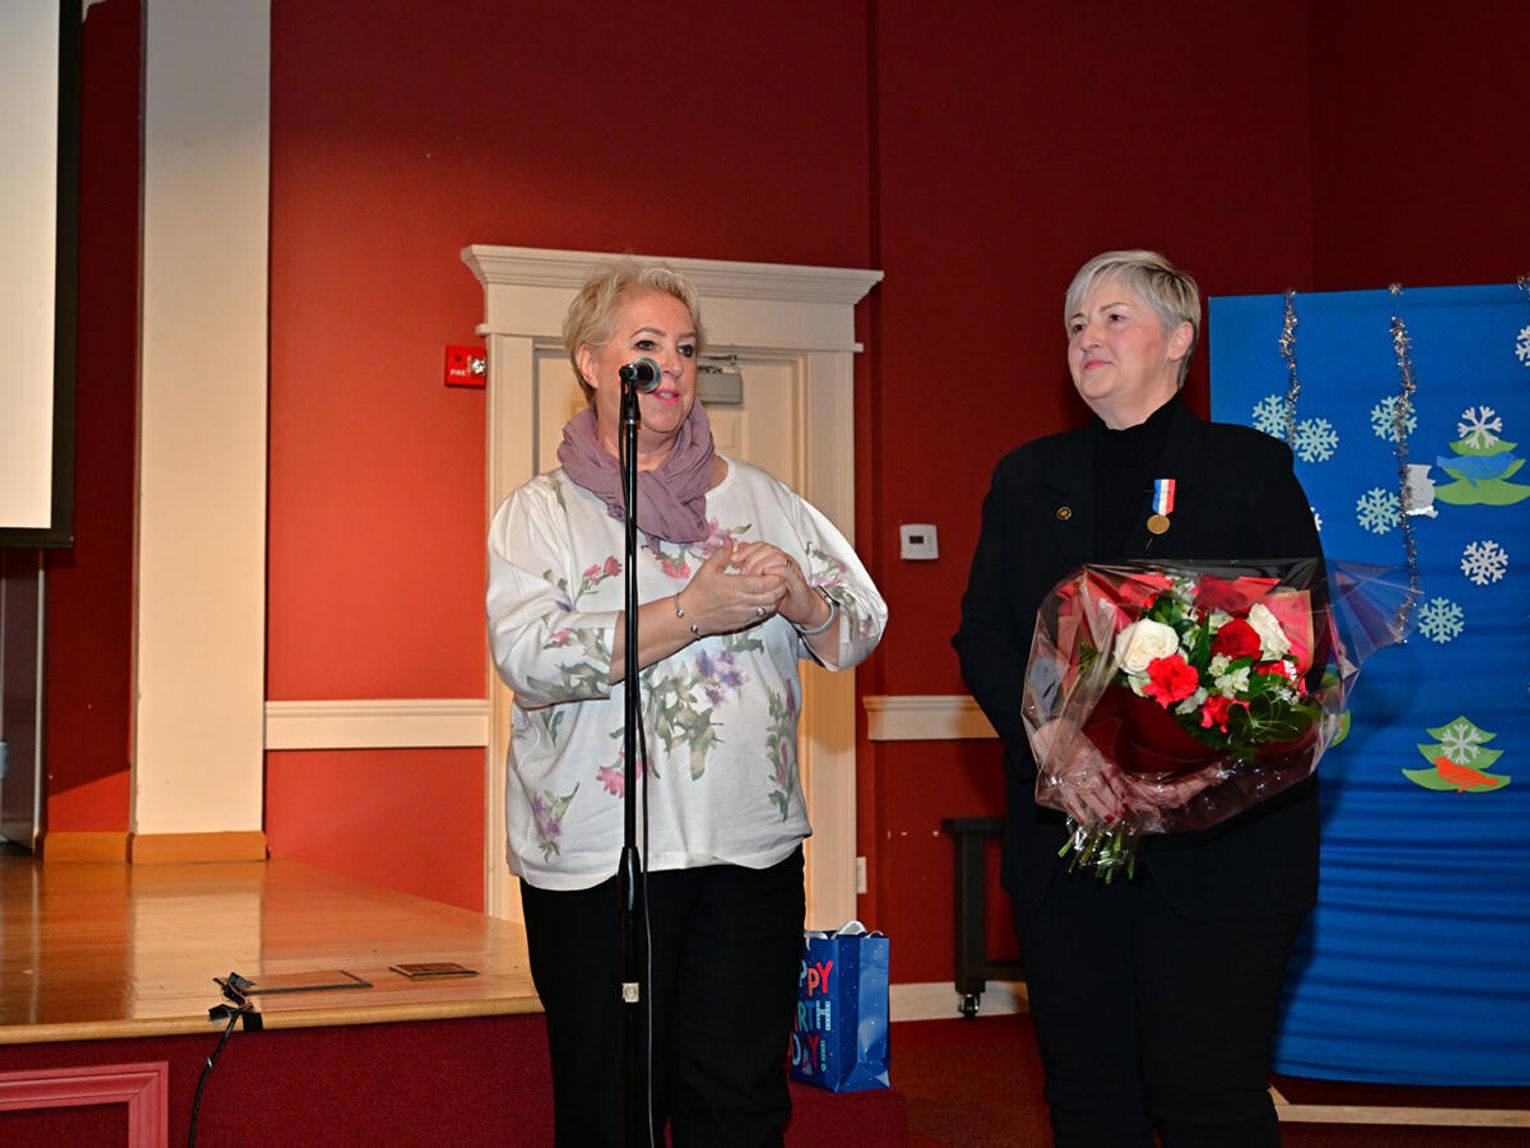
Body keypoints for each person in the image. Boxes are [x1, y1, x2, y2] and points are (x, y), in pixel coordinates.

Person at [486, 259, 887, 1146]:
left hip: (747, 850)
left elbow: (859, 626)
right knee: (611, 1103)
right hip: (601, 863)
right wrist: (689, 611)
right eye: (647, 345)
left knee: (738, 1100)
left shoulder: (761, 499)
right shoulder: (541, 514)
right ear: (592, 362)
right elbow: (530, 656)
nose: (671, 365)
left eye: (687, 348)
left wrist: (804, 601)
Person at [953, 250, 1322, 1147]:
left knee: (1209, 1102)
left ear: (1180, 340)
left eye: (1114, 318)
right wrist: (1055, 742)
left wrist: (1198, 770)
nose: (1089, 338)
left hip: (1225, 854)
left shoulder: (1248, 467)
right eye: (1077, 325)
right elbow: (985, 637)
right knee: (1089, 1104)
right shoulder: (1027, 478)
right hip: (1068, 848)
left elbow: (1296, 645)